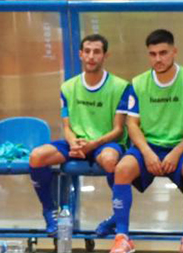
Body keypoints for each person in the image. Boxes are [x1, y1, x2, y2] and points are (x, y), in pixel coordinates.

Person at [110, 29, 183, 253]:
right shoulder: (138, 83)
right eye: (153, 54)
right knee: (122, 169)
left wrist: (176, 153)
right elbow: (132, 125)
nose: (158, 59)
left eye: (163, 53)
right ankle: (122, 238)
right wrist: (148, 153)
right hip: (148, 146)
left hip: (182, 146)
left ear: (174, 52)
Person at [28, 34, 129, 236]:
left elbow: (118, 130)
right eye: (87, 51)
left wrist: (92, 144)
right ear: (81, 54)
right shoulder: (68, 87)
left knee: (110, 160)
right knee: (37, 156)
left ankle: (116, 218)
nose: (91, 56)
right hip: (76, 142)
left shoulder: (121, 87)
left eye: (97, 52)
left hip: (105, 142)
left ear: (105, 55)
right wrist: (73, 143)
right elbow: (67, 125)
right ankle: (50, 212)